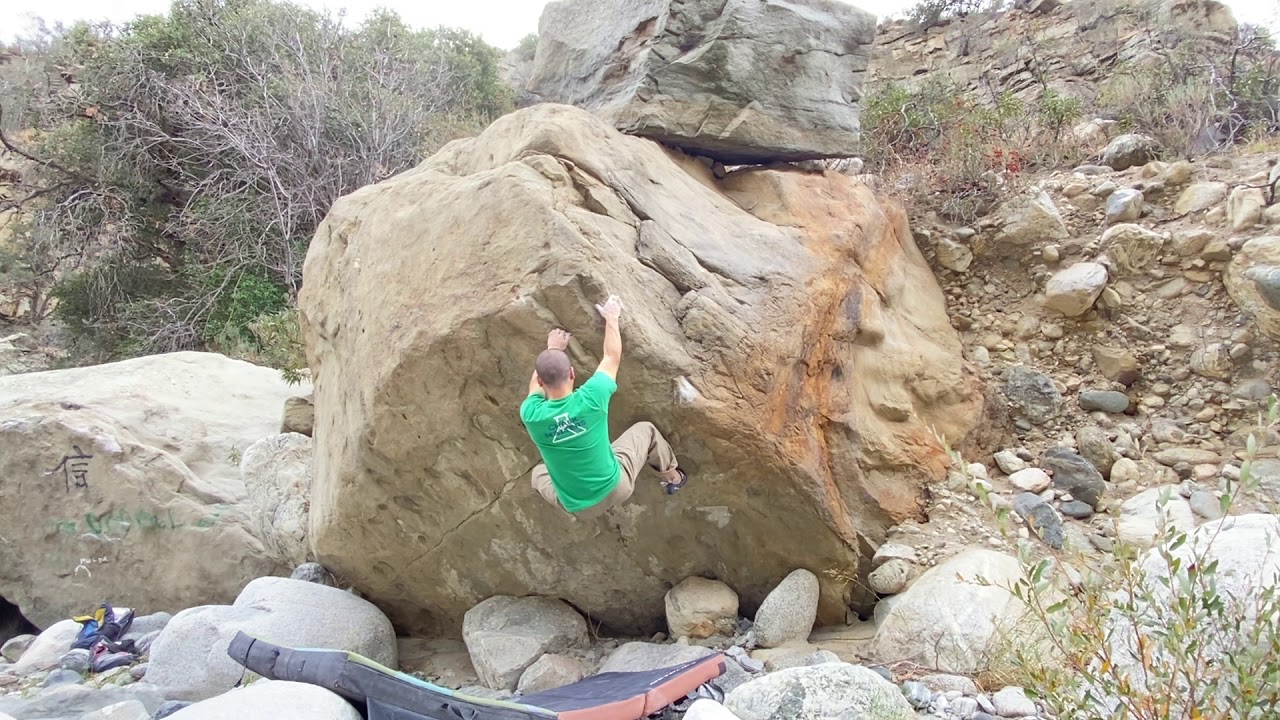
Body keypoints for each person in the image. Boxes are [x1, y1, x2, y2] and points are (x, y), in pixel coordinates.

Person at [520, 294, 687, 520]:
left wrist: (552, 349)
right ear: (572, 374)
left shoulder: (531, 414)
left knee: (538, 475)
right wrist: (611, 318)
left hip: (580, 509)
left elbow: (534, 388)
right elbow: (611, 357)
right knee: (646, 430)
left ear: (541, 381)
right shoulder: (592, 397)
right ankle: (673, 478)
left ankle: (580, 497)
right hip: (617, 487)